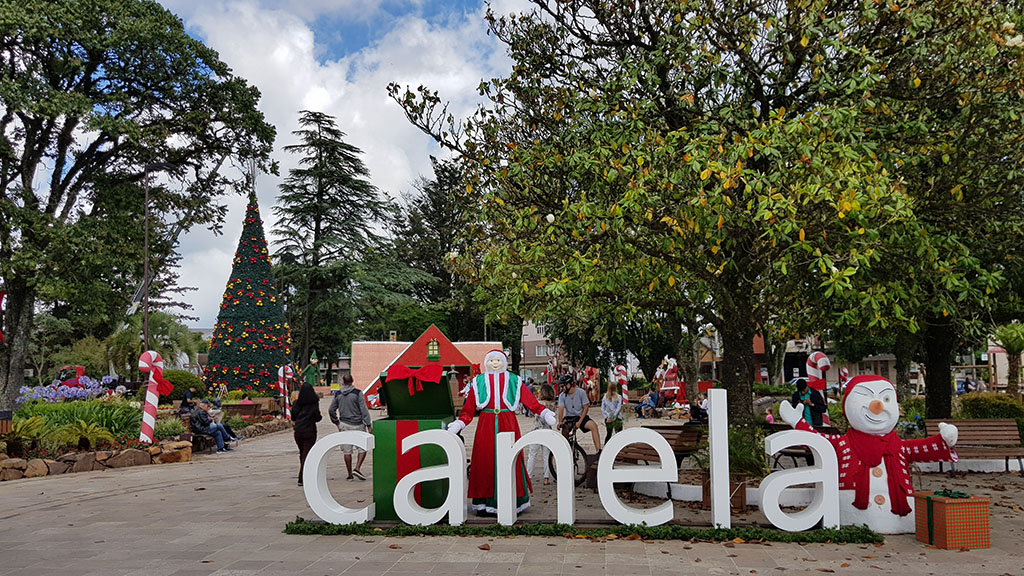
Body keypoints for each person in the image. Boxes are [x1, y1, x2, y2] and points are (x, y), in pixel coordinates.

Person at [446, 350, 556, 515]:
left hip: (508, 422)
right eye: (492, 360)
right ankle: (484, 503)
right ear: (486, 363)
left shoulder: (514, 380)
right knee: (485, 459)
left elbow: (530, 401)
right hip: (486, 424)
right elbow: (468, 409)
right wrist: (460, 423)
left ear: (505, 362)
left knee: (510, 458)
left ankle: (513, 500)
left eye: (499, 360)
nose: (495, 363)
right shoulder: (478, 381)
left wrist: (544, 412)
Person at [328, 374, 372, 481]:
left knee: (347, 451)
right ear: (352, 381)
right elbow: (363, 409)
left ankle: (349, 474)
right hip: (358, 424)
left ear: (343, 381)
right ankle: (357, 468)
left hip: (344, 424)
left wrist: (337, 422)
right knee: (362, 448)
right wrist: (368, 424)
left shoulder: (338, 394)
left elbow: (331, 410)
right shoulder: (358, 393)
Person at [557, 373, 602, 451]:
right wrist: (560, 421)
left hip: (580, 416)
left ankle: (598, 450)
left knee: (593, 426)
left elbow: (586, 408)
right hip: (569, 417)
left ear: (569, 384)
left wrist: (580, 422)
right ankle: (566, 449)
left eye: (563, 386)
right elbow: (560, 409)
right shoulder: (562, 396)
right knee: (564, 430)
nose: (562, 388)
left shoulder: (581, 392)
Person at [291, 381, 322, 487]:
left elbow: (293, 417)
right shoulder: (314, 404)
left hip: (298, 431)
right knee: (307, 454)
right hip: (310, 431)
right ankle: (302, 477)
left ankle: (303, 474)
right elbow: (318, 418)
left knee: (302, 453)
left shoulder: (296, 403)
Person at [525, 384, 556, 485]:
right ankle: (546, 478)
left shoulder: (538, 403)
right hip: (547, 431)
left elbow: (534, 413)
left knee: (532, 454)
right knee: (546, 455)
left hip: (536, 430)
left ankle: (529, 476)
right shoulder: (553, 404)